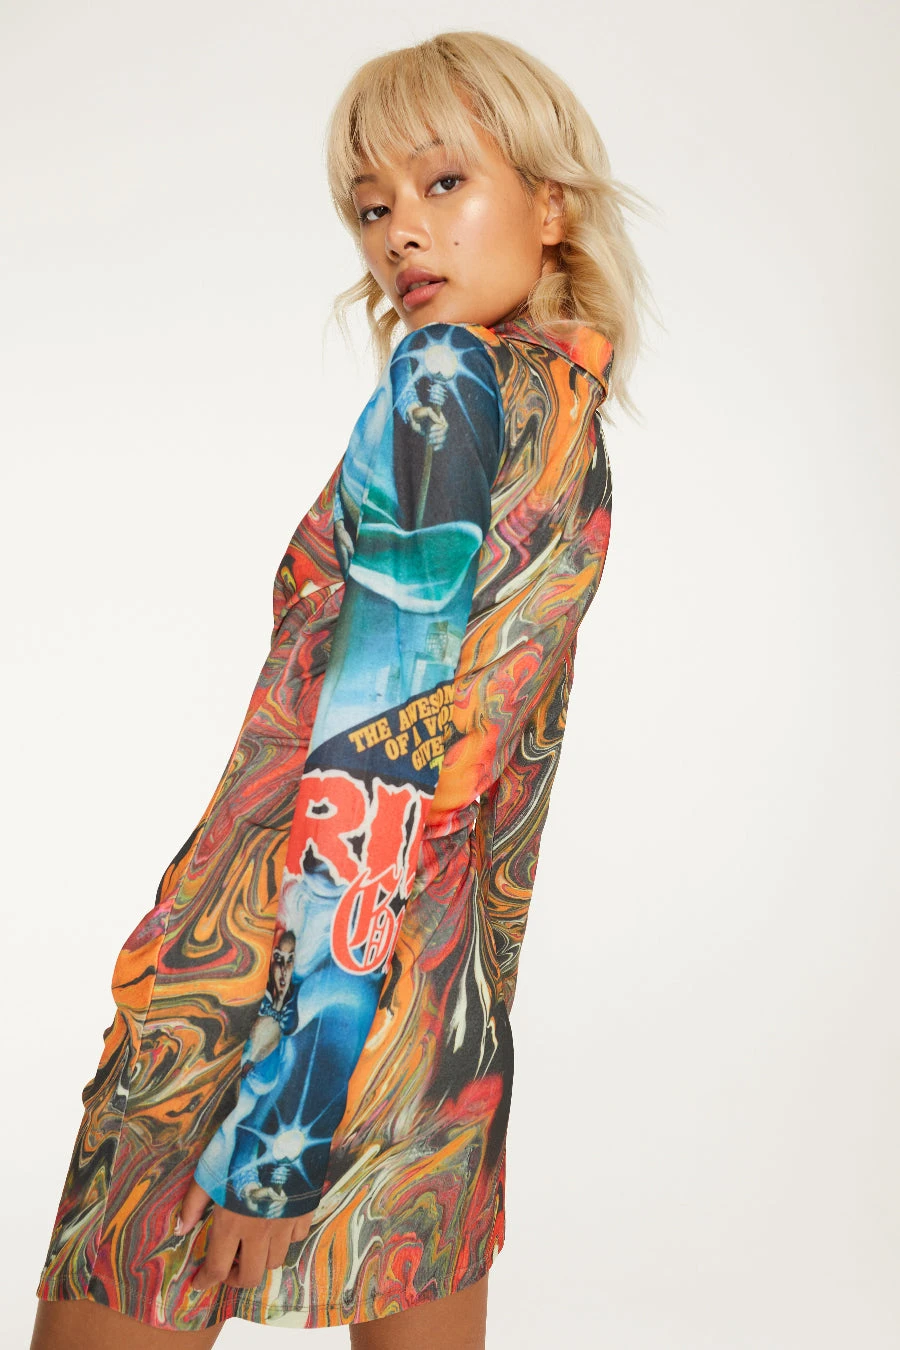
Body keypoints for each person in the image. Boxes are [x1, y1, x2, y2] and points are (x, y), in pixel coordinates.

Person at [31, 28, 653, 1350]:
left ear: (552, 203)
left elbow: (378, 754)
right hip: (439, 1005)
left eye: (444, 183)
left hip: (269, 999)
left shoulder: (443, 383)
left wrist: (281, 1122)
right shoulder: (570, 417)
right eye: (371, 207)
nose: (399, 233)